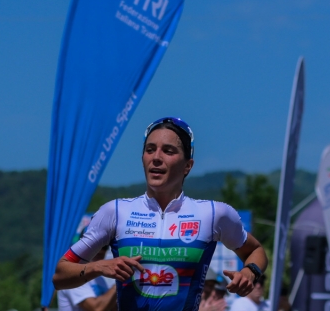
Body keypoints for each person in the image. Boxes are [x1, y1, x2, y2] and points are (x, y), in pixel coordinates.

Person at [53, 117, 268, 311]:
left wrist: (249, 273)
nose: (156, 157)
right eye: (150, 149)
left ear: (188, 166)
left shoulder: (213, 213)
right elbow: (60, 274)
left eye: (168, 151)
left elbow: (256, 250)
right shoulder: (115, 211)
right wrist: (98, 267)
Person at [57, 244, 117, 311]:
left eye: (105, 247)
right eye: (95, 245)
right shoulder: (73, 276)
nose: (100, 250)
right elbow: (96, 308)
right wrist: (118, 284)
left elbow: (110, 307)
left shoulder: (99, 279)